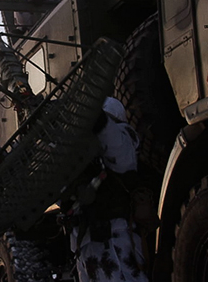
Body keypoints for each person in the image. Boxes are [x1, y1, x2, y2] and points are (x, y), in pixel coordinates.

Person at [61, 97, 149, 282]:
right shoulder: (79, 153)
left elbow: (114, 143)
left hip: (117, 245)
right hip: (88, 248)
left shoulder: (123, 140)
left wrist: (96, 118)